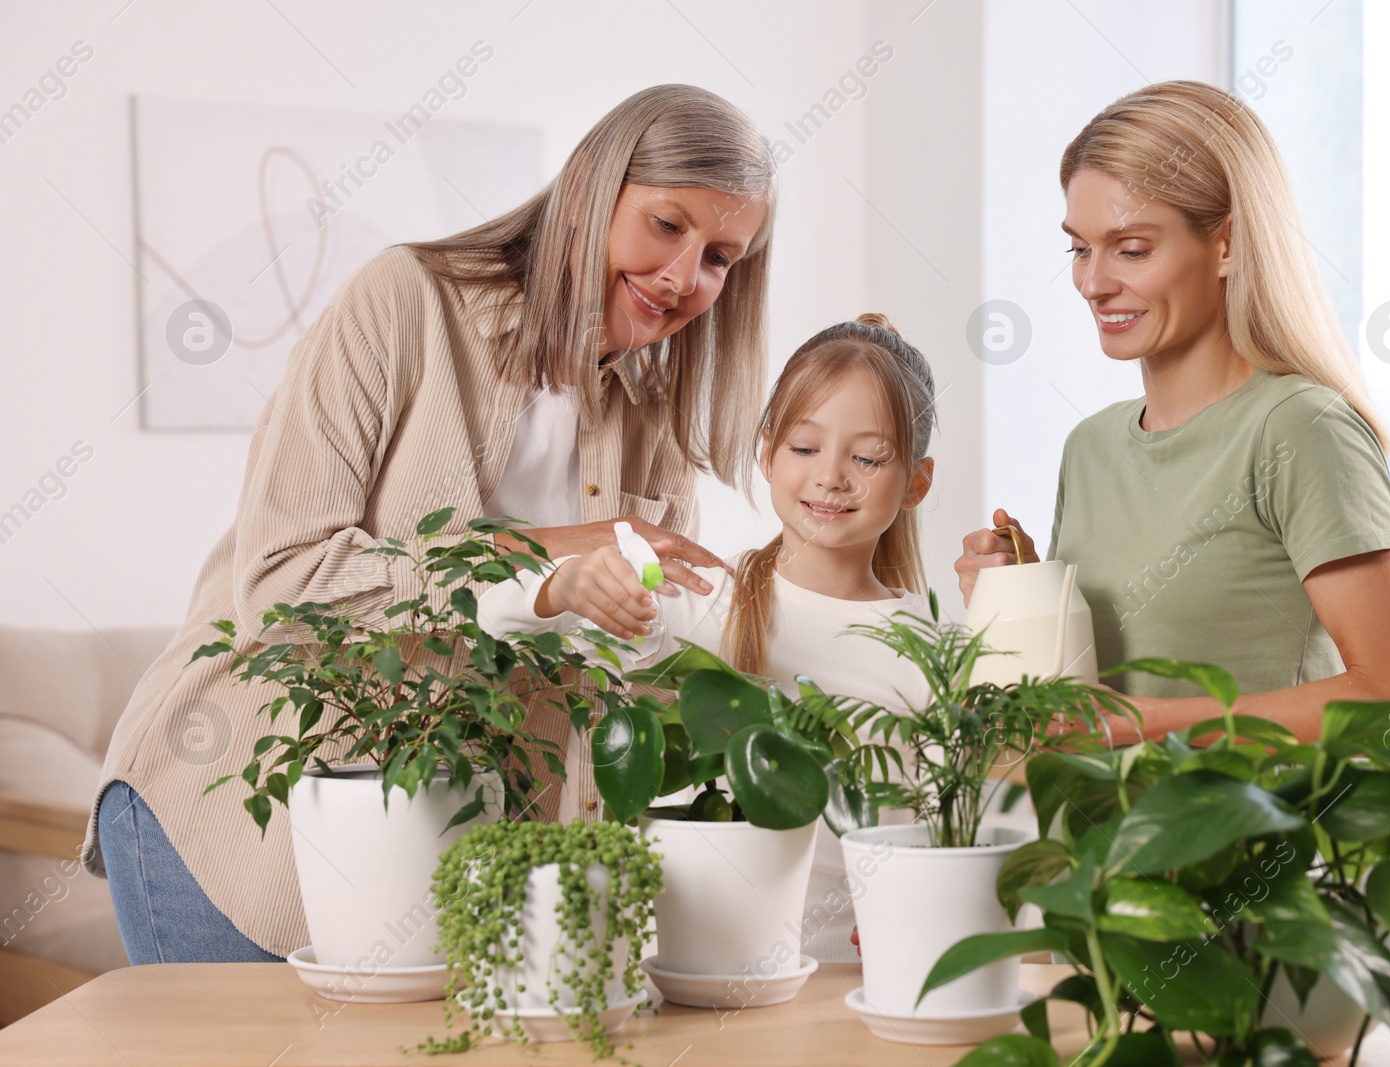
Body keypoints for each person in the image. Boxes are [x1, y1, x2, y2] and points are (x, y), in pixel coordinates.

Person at [88, 84, 775, 964]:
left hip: (439, 847)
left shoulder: (656, 416)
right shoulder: (403, 302)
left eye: (721, 256)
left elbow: (625, 670)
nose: (684, 277)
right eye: (667, 225)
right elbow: (281, 587)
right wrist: (552, 555)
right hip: (238, 823)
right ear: (593, 193)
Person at [956, 80, 1390, 745]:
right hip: (1096, 845)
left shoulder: (1299, 427)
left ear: (1228, 244)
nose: (1094, 282)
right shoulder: (1090, 446)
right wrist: (1022, 599)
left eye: (1131, 248)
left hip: (1252, 844)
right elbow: (1083, 705)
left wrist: (1141, 725)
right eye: (1079, 247)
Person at [479, 313, 938, 963]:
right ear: (766, 450)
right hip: (694, 976)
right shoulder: (694, 602)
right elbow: (494, 618)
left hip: (855, 983)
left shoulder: (933, 642)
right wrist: (566, 586)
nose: (831, 476)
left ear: (916, 481)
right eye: (805, 448)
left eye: (867, 458)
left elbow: (945, 829)